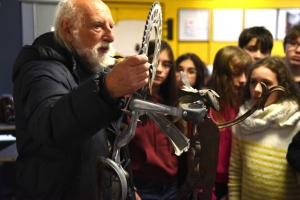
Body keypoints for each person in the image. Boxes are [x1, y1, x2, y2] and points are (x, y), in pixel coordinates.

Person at [11, 0, 150, 199]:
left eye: (111, 26)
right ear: (68, 29)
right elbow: (52, 125)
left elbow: (112, 142)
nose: (111, 36)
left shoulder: (90, 69)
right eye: (97, 26)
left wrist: (129, 189)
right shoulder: (40, 70)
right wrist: (106, 89)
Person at [228, 56, 300, 199]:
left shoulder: (295, 121)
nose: (257, 89)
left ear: (282, 87)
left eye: (266, 83)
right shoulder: (242, 120)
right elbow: (236, 171)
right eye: (253, 82)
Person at [128, 40, 179, 200]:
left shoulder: (173, 103)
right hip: (141, 185)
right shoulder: (128, 101)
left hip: (171, 185)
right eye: (154, 60)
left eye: (167, 64)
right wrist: (131, 188)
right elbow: (117, 149)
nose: (159, 69)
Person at [206, 46, 252, 200]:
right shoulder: (206, 106)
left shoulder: (245, 105)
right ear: (219, 73)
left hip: (239, 181)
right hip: (210, 184)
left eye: (246, 73)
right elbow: (197, 158)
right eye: (236, 74)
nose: (243, 80)